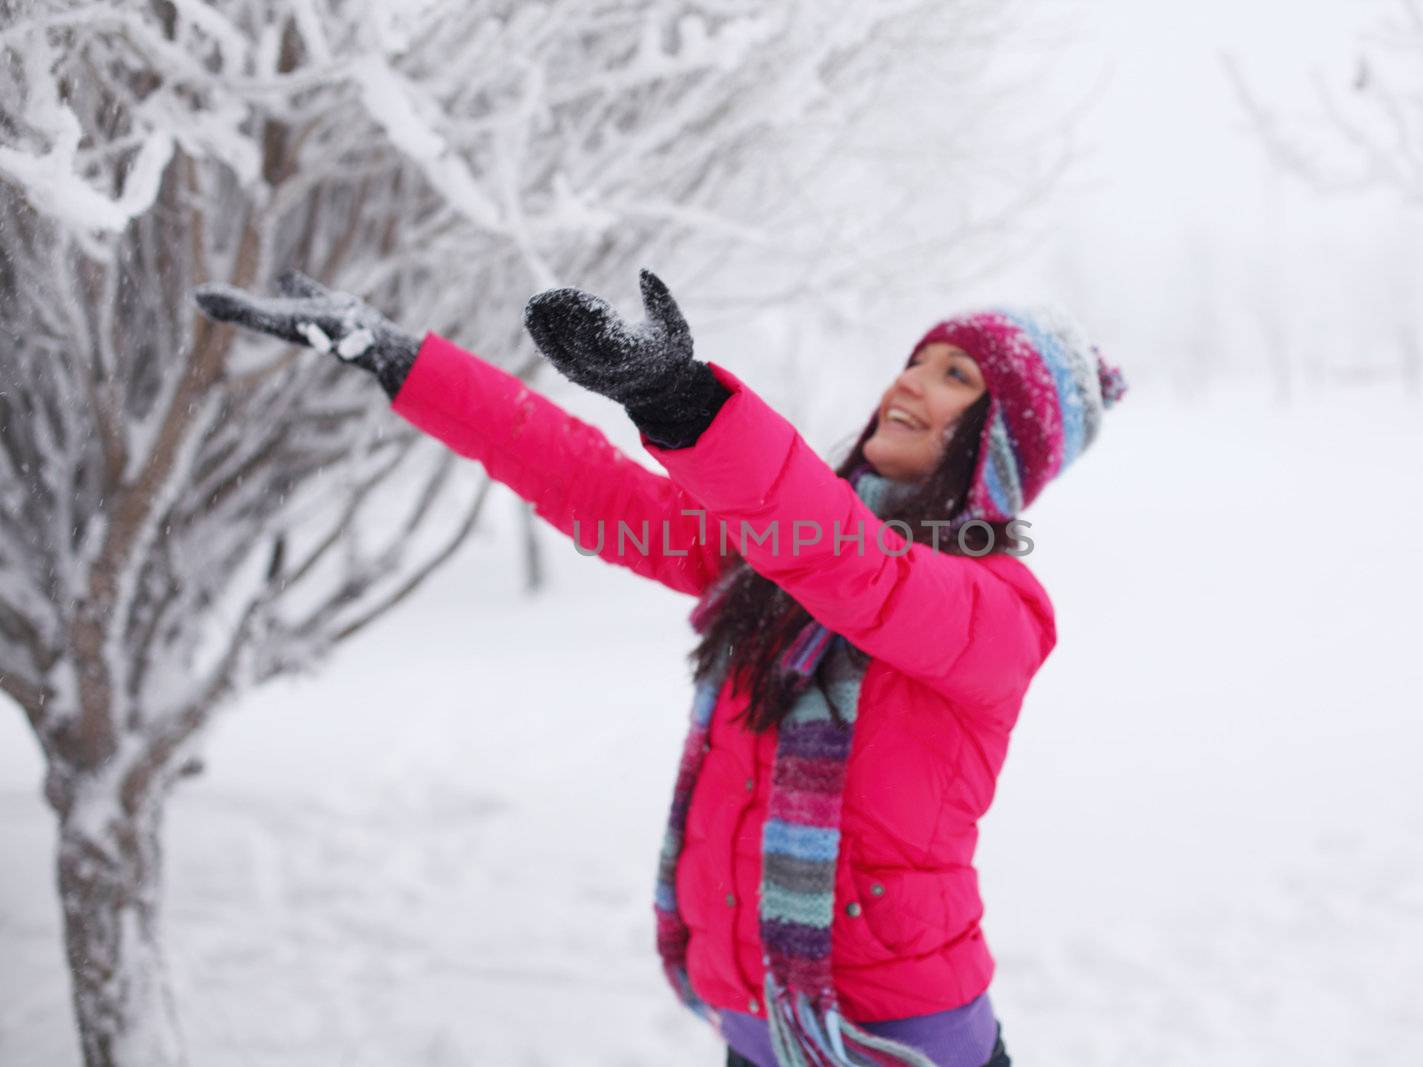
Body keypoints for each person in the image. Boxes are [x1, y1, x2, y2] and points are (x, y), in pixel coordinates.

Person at [193, 269, 1127, 1066]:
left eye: (955, 373)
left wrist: (687, 403)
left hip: (898, 1042)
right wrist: (401, 362)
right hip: (759, 1025)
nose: (911, 382)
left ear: (1001, 437)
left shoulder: (993, 608)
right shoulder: (774, 555)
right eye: (916, 359)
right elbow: (581, 479)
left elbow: (860, 571)